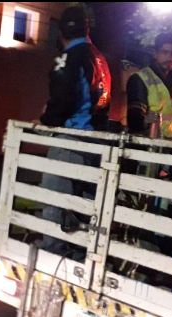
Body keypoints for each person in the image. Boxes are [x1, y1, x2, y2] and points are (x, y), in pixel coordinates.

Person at [37, 6, 111, 255]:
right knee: (82, 202)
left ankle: (52, 250)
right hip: (95, 142)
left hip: (72, 137)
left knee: (54, 197)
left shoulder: (69, 57)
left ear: (62, 31)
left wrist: (47, 119)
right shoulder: (99, 58)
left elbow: (63, 97)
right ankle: (80, 251)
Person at [126, 32, 172, 139]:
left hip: (168, 145)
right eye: (164, 52)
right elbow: (134, 120)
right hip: (144, 144)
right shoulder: (140, 78)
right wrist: (151, 119)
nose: (169, 57)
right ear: (155, 54)